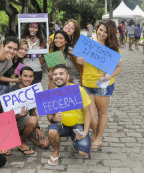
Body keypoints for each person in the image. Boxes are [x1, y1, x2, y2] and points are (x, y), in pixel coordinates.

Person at [77, 19, 122, 149]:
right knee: (90, 114)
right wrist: (80, 61)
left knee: (102, 113)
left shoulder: (113, 48)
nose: (101, 33)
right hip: (87, 83)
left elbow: (119, 67)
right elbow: (82, 62)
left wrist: (110, 75)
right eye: (100, 29)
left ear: (110, 34)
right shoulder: (88, 43)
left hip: (104, 85)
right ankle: (96, 133)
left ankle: (98, 137)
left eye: (105, 32)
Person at [47, 64, 91, 165]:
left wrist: (86, 130)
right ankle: (56, 151)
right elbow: (49, 116)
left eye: (61, 74)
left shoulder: (79, 89)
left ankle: (75, 138)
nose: (58, 76)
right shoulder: (51, 93)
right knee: (52, 131)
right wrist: (54, 119)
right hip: (62, 123)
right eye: (55, 74)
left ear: (67, 76)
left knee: (83, 152)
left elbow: (87, 112)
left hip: (78, 123)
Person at [6, 67, 49, 155]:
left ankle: (27, 131)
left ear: (33, 78)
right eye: (25, 76)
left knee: (45, 144)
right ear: (20, 76)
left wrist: (37, 127)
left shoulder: (32, 91)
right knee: (32, 120)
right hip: (12, 125)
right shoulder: (11, 92)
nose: (28, 79)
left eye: (30, 76)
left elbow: (32, 112)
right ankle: (22, 142)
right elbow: (6, 119)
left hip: (26, 122)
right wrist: (19, 116)